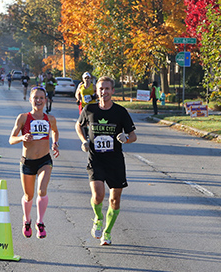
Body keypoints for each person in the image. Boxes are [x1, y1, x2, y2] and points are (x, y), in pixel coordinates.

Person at [75, 76, 137, 246]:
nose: (104, 92)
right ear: (97, 90)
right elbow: (78, 125)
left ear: (112, 91)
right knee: (98, 195)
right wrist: (84, 140)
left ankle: (107, 233)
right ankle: (98, 218)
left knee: (114, 200)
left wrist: (126, 138)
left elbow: (133, 136)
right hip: (96, 159)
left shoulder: (120, 112)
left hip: (115, 162)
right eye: (101, 88)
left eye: (107, 89)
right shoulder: (89, 109)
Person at [9, 86, 60, 239]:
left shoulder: (50, 119)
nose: (38, 100)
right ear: (30, 100)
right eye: (35, 98)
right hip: (27, 162)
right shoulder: (23, 118)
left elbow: (55, 131)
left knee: (42, 191)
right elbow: (11, 139)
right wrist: (22, 138)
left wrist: (55, 143)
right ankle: (27, 220)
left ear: (45, 100)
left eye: (41, 98)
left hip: (44, 160)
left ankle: (40, 222)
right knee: (28, 195)